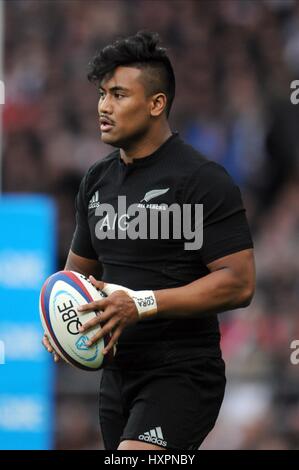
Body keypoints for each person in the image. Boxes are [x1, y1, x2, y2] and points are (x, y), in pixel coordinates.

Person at [43, 31, 255, 451]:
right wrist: (60, 318)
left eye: (119, 94)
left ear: (157, 104)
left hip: (182, 373)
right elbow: (75, 276)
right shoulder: (96, 181)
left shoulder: (202, 180)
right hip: (117, 376)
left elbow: (239, 283)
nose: (104, 106)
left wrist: (139, 303)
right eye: (102, 94)